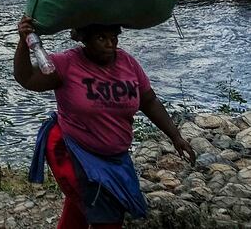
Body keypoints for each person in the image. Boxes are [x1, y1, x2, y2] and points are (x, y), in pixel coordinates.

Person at [15, 17, 195, 229]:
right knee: (104, 211)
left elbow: (149, 101)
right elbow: (27, 78)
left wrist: (175, 136)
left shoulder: (127, 63)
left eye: (114, 37)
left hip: (115, 157)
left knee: (81, 206)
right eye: (101, 38)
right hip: (72, 149)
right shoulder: (67, 63)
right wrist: (23, 41)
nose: (110, 44)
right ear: (85, 39)